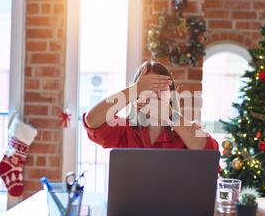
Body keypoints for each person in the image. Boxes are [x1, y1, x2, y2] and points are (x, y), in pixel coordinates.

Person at [83, 60, 218, 150]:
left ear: (171, 95)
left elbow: (208, 150)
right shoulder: (125, 130)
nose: (156, 94)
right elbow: (92, 120)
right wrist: (134, 89)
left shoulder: (184, 129)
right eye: (148, 88)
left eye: (161, 87)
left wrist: (171, 115)